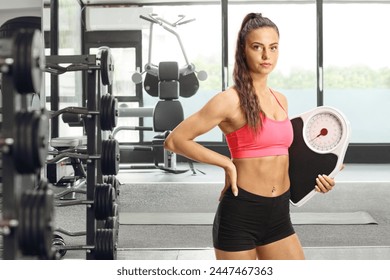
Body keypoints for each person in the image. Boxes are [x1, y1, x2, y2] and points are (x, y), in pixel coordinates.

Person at [164, 13, 337, 260]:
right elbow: (175, 140)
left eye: (273, 48)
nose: (267, 56)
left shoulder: (281, 99)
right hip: (240, 215)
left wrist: (317, 180)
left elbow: (283, 157)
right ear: (243, 50)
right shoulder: (229, 100)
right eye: (258, 47)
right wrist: (226, 164)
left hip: (279, 214)